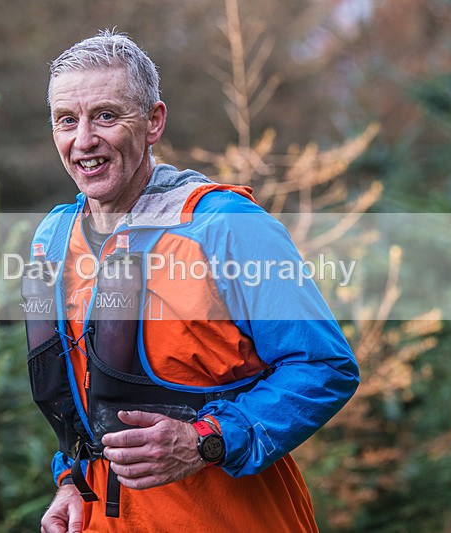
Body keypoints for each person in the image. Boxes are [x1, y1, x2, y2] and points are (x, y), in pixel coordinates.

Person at [25, 29, 359, 532]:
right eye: (66, 121)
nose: (84, 140)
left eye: (107, 116)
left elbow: (325, 366)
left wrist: (206, 440)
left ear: (154, 122)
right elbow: (82, 394)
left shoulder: (226, 227)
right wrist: (71, 482)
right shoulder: (53, 238)